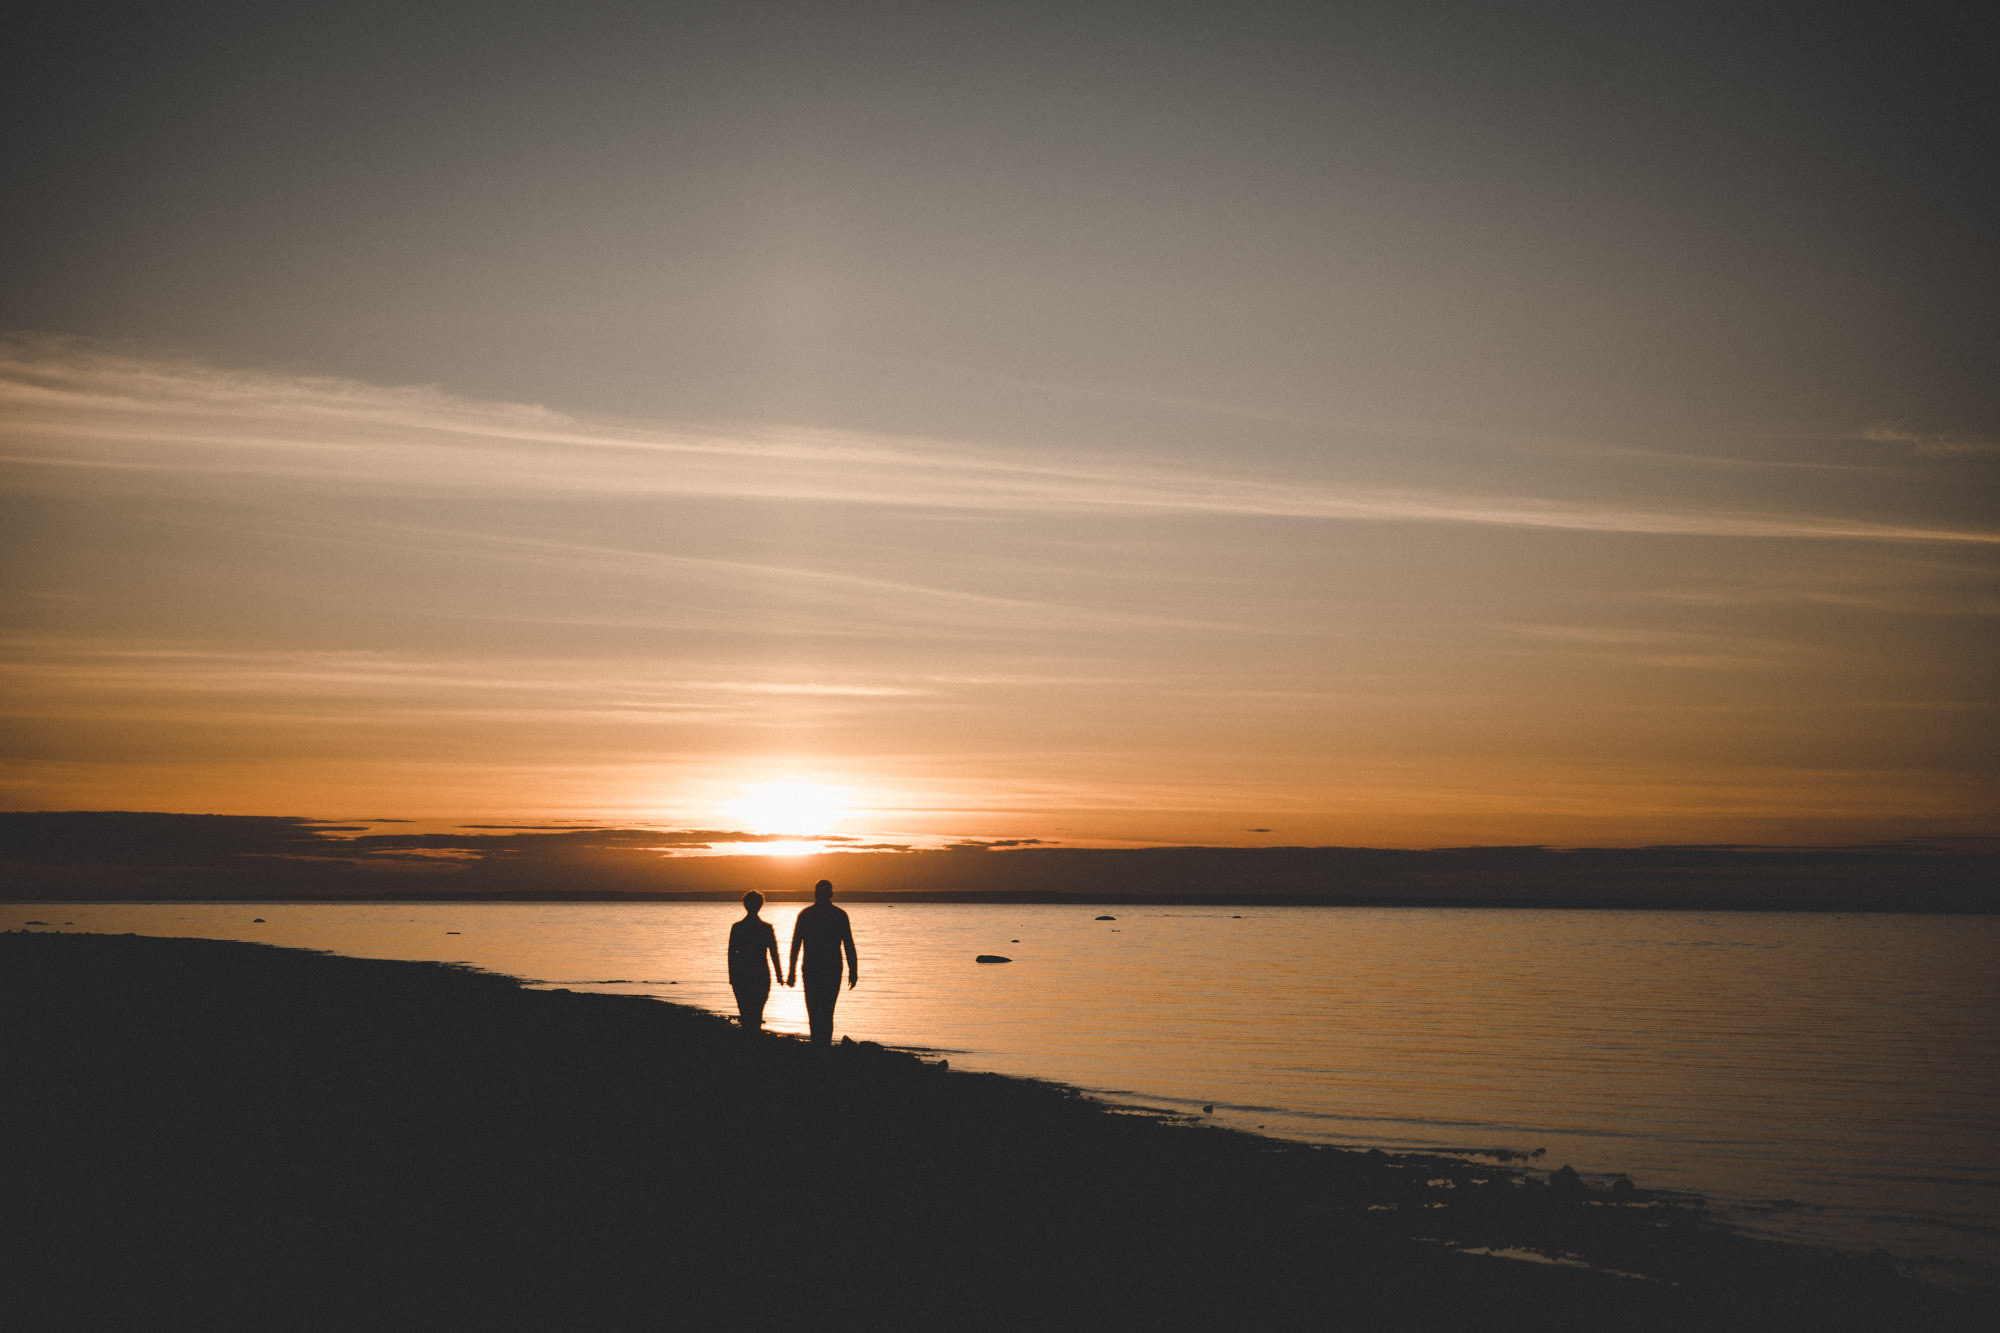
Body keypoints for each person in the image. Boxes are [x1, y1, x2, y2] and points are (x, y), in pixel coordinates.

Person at [786, 879, 858, 1045]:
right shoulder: (838, 915)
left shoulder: (807, 915)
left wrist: (791, 972)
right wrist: (853, 970)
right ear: (831, 895)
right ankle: (822, 1044)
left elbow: (795, 945)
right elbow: (849, 945)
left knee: (815, 1010)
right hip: (827, 968)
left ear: (816, 894)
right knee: (826, 1010)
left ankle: (819, 1044)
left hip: (816, 968)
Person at [726, 891, 783, 1032]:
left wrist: (732, 976)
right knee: (756, 1012)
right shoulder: (765, 928)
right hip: (760, 974)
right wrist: (779, 975)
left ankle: (750, 1041)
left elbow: (731, 954)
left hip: (742, 974)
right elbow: (774, 953)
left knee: (745, 1011)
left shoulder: (738, 927)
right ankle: (754, 1041)